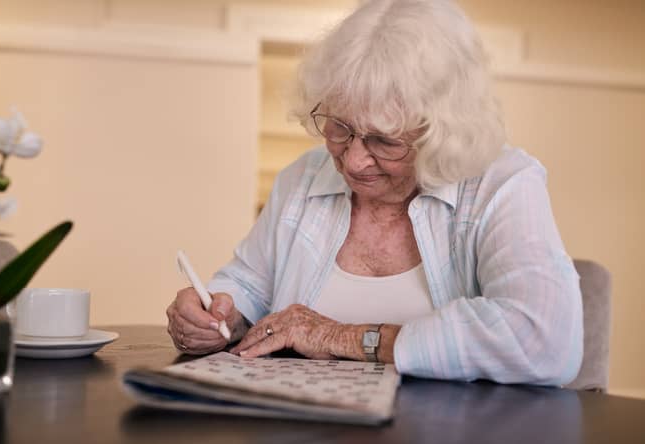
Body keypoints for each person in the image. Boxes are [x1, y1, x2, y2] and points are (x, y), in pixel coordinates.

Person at [166, 0, 583, 385]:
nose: (353, 162)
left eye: (384, 141)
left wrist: (342, 338)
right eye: (339, 128)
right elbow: (250, 285)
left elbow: (543, 339)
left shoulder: (503, 184)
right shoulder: (304, 177)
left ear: (442, 134)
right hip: (297, 439)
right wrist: (217, 314)